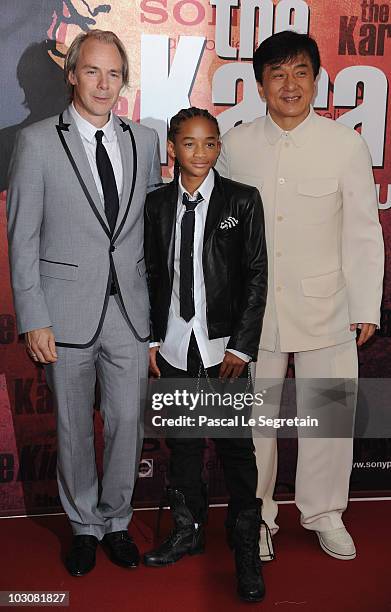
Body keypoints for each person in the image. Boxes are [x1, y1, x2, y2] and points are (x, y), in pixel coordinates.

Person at [216, 30, 384, 562]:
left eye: (300, 73)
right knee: (255, 425)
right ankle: (258, 517)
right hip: (254, 314)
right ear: (260, 84)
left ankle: (324, 513)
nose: (290, 85)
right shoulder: (235, 145)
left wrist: (364, 306)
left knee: (328, 417)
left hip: (327, 307)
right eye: (277, 74)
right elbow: (218, 235)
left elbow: (362, 231)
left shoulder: (344, 144)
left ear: (317, 80)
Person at [7, 29, 161, 576]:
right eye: (92, 71)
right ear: (71, 74)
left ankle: (116, 521)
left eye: (113, 73)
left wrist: (158, 321)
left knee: (126, 423)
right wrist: (34, 318)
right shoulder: (38, 142)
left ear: (124, 81)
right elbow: (22, 238)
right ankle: (82, 526)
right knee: (73, 426)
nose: (103, 83)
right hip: (64, 313)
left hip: (131, 314)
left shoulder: (146, 142)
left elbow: (151, 234)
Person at [143, 107, 268, 603]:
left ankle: (245, 549)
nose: (200, 152)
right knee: (185, 446)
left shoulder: (243, 200)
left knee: (237, 449)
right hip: (175, 344)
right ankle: (187, 531)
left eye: (210, 143)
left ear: (219, 147)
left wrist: (241, 343)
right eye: (189, 143)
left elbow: (256, 275)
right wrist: (153, 339)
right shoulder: (156, 205)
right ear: (172, 147)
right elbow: (152, 274)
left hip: (225, 349)